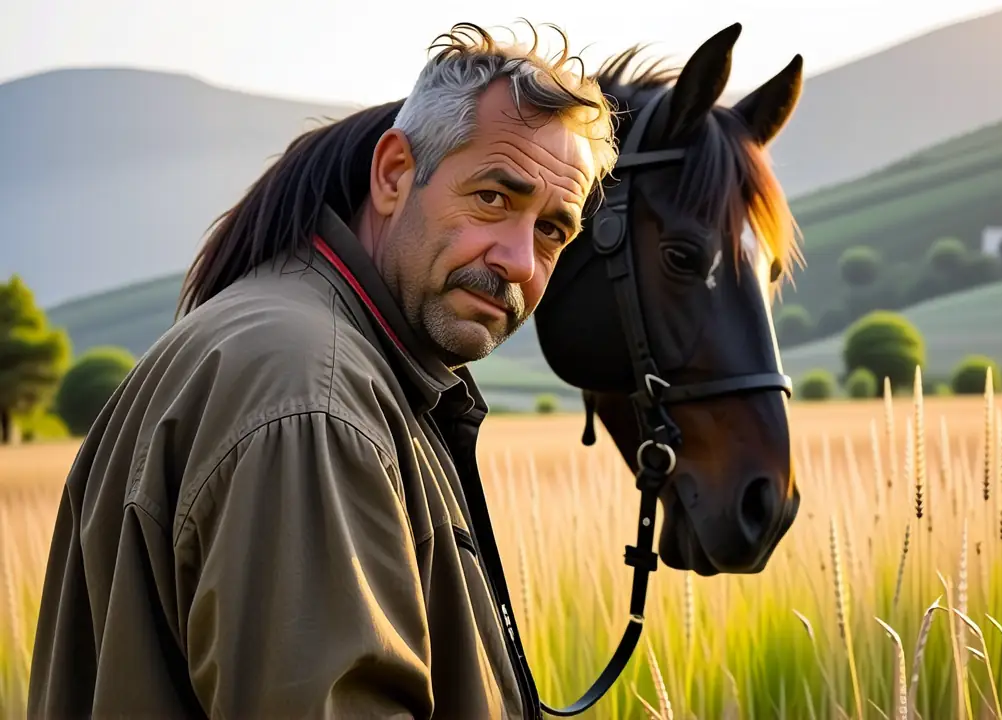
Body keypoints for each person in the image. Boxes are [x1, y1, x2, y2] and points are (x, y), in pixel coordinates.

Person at [26, 22, 618, 719]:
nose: (520, 259)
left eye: (552, 229)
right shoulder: (312, 399)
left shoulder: (305, 354)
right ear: (396, 172)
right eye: (493, 197)